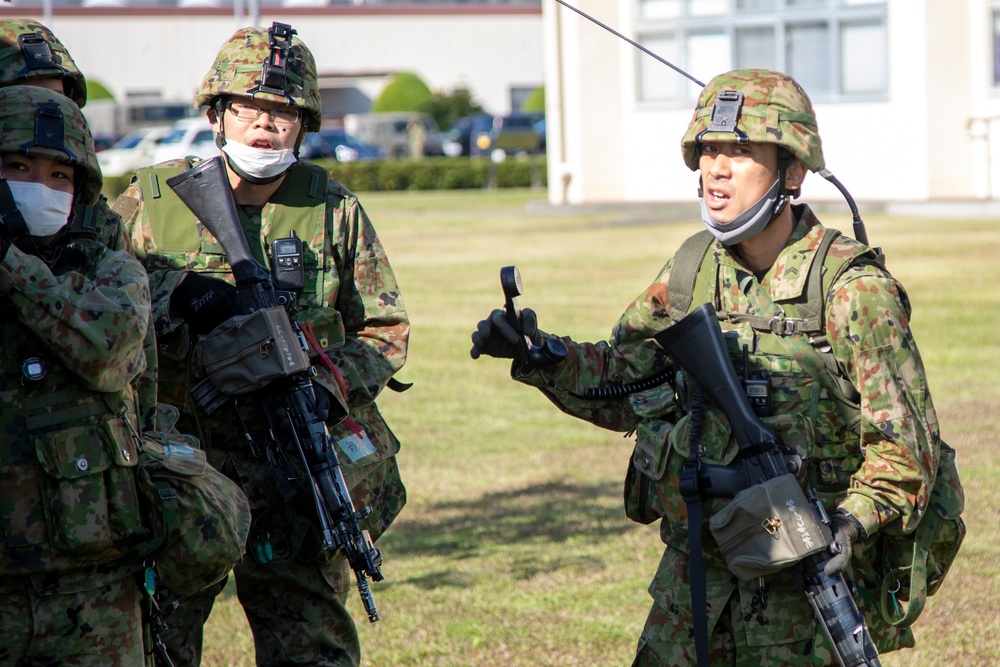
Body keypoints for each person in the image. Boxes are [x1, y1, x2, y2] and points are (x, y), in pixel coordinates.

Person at [470, 69, 942, 665]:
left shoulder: (851, 291)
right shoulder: (694, 270)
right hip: (694, 581)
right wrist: (541, 354)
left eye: (741, 152)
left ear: (793, 172)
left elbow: (908, 447)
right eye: (710, 150)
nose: (716, 168)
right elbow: (624, 375)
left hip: (796, 595)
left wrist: (848, 524)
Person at [115, 22, 409, 667]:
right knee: (160, 637)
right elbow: (106, 303)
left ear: (303, 126)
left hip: (290, 459)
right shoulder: (152, 201)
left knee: (311, 643)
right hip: (181, 458)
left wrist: (319, 379)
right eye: (248, 108)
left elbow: (385, 332)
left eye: (283, 112)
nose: (265, 125)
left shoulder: (332, 207)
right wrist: (180, 294)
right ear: (218, 115)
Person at [0, 85, 152, 666]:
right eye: (18, 167)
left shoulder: (111, 269)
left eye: (59, 175)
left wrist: (11, 265)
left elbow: (107, 350)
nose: (40, 185)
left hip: (95, 594)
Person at [0, 17, 160, 433]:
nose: (42, 115)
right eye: (22, 98)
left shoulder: (97, 226)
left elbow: (132, 361)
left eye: (56, 100)